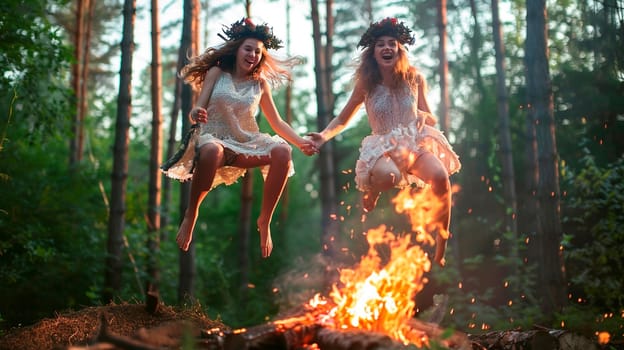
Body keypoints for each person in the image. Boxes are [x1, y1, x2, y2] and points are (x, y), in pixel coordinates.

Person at [308, 17, 461, 266]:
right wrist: (323, 136)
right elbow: (343, 118)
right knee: (389, 177)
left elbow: (430, 116)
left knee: (441, 177)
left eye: (392, 44)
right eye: (381, 44)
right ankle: (373, 190)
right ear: (374, 51)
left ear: (400, 50)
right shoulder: (366, 84)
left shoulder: (415, 79)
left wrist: (425, 116)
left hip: (413, 144)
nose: (387, 48)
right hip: (383, 149)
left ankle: (441, 247)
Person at [161, 18, 318, 258]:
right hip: (213, 138)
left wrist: (300, 142)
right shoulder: (216, 73)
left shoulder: (260, 84)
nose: (253, 55)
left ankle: (264, 220)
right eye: (248, 49)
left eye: (258, 52)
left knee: (283, 151)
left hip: (246, 143)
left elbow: (276, 122)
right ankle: (191, 213)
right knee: (213, 151)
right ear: (237, 50)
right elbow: (197, 107)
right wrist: (196, 113)